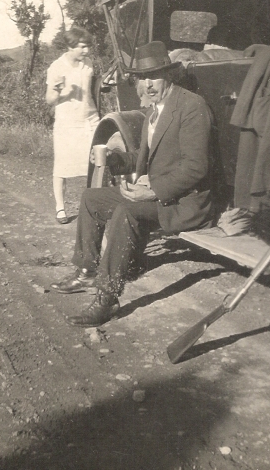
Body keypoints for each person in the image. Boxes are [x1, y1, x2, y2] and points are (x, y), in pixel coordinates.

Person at [51, 41, 214, 327]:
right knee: (91, 199)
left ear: (170, 75)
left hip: (183, 203)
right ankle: (87, 270)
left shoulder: (190, 106)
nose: (148, 85)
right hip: (156, 195)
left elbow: (196, 167)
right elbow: (145, 157)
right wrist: (114, 161)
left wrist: (152, 190)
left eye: (154, 77)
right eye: (142, 78)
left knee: (127, 212)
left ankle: (107, 297)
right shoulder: (154, 110)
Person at [45, 26, 99, 224]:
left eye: (87, 47)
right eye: (82, 47)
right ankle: (60, 208)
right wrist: (59, 91)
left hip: (90, 120)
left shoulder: (88, 64)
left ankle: (94, 207)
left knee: (96, 164)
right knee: (62, 168)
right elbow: (49, 100)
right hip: (67, 123)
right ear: (70, 46)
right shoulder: (56, 68)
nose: (86, 51)